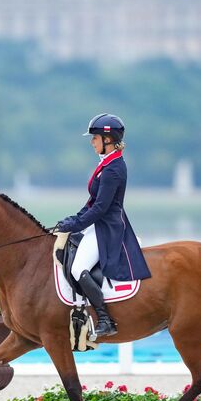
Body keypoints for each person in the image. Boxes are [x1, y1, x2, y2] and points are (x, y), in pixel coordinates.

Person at [55, 113, 151, 337]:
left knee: (78, 268)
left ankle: (105, 320)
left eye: (95, 138)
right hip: (99, 224)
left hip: (107, 228)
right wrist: (74, 219)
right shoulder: (108, 163)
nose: (92, 142)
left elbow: (100, 208)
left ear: (107, 139)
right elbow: (93, 202)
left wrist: (75, 224)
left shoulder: (113, 168)